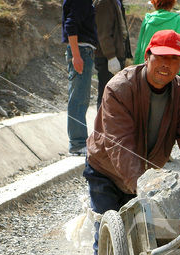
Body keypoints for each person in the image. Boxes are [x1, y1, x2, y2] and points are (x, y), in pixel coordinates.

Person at [84, 30, 180, 255]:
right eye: (161, 57)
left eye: (175, 59)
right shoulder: (119, 87)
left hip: (144, 176)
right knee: (109, 235)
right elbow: (118, 144)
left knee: (136, 236)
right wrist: (141, 187)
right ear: (147, 56)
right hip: (106, 171)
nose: (167, 65)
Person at [62, 0, 98, 156]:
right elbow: (70, 25)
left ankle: (78, 142)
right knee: (78, 98)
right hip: (81, 50)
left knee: (80, 97)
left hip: (82, 50)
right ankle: (77, 144)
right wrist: (76, 56)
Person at [93, 0, 133, 109]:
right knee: (106, 97)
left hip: (114, 56)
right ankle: (102, 126)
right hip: (107, 58)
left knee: (113, 98)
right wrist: (111, 56)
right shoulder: (105, 2)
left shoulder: (115, 2)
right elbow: (104, 33)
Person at [134, 0, 180, 75]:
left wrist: (136, 65)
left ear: (154, 2)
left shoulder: (148, 19)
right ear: (172, 3)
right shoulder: (177, 19)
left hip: (146, 67)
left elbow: (140, 46)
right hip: (168, 68)